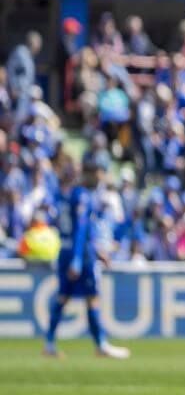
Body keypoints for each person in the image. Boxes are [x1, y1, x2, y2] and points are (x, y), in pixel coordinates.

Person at [42, 154, 131, 359]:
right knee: (92, 298)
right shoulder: (82, 195)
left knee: (63, 297)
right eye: (98, 172)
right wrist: (78, 258)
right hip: (80, 254)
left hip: (65, 250)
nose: (100, 177)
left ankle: (49, 342)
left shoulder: (63, 195)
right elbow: (81, 229)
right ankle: (101, 344)